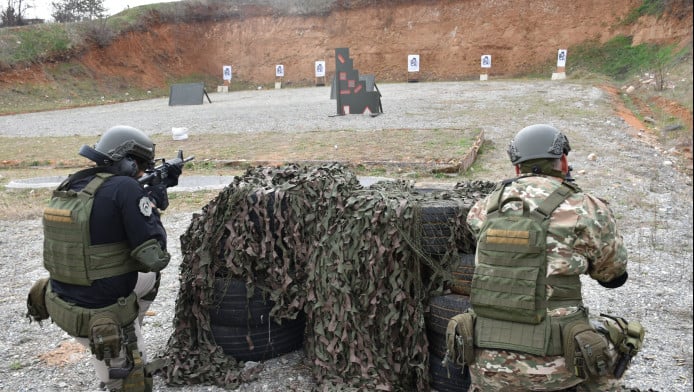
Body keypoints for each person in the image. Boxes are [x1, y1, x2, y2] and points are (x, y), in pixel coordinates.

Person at [464, 124, 637, 391]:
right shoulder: (586, 207)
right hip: (558, 365)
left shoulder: (485, 207)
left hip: (485, 360)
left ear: (517, 168)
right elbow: (612, 277)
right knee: (628, 335)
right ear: (563, 161)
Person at [40, 125, 179, 391]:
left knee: (149, 279)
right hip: (98, 317)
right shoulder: (126, 188)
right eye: (140, 166)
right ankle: (120, 347)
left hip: (60, 301)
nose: (142, 173)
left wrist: (147, 194)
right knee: (132, 384)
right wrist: (152, 202)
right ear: (127, 162)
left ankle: (129, 329)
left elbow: (103, 222)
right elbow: (155, 256)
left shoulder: (72, 183)